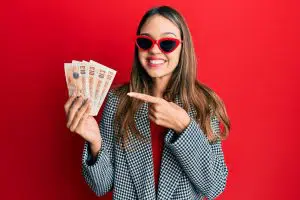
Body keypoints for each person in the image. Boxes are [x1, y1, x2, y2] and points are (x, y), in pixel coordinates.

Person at [64, 5, 231, 200]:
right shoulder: (117, 102)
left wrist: (184, 127)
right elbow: (101, 185)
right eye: (145, 42)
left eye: (167, 43)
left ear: (183, 48)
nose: (154, 50)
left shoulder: (203, 104)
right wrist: (95, 143)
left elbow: (214, 187)